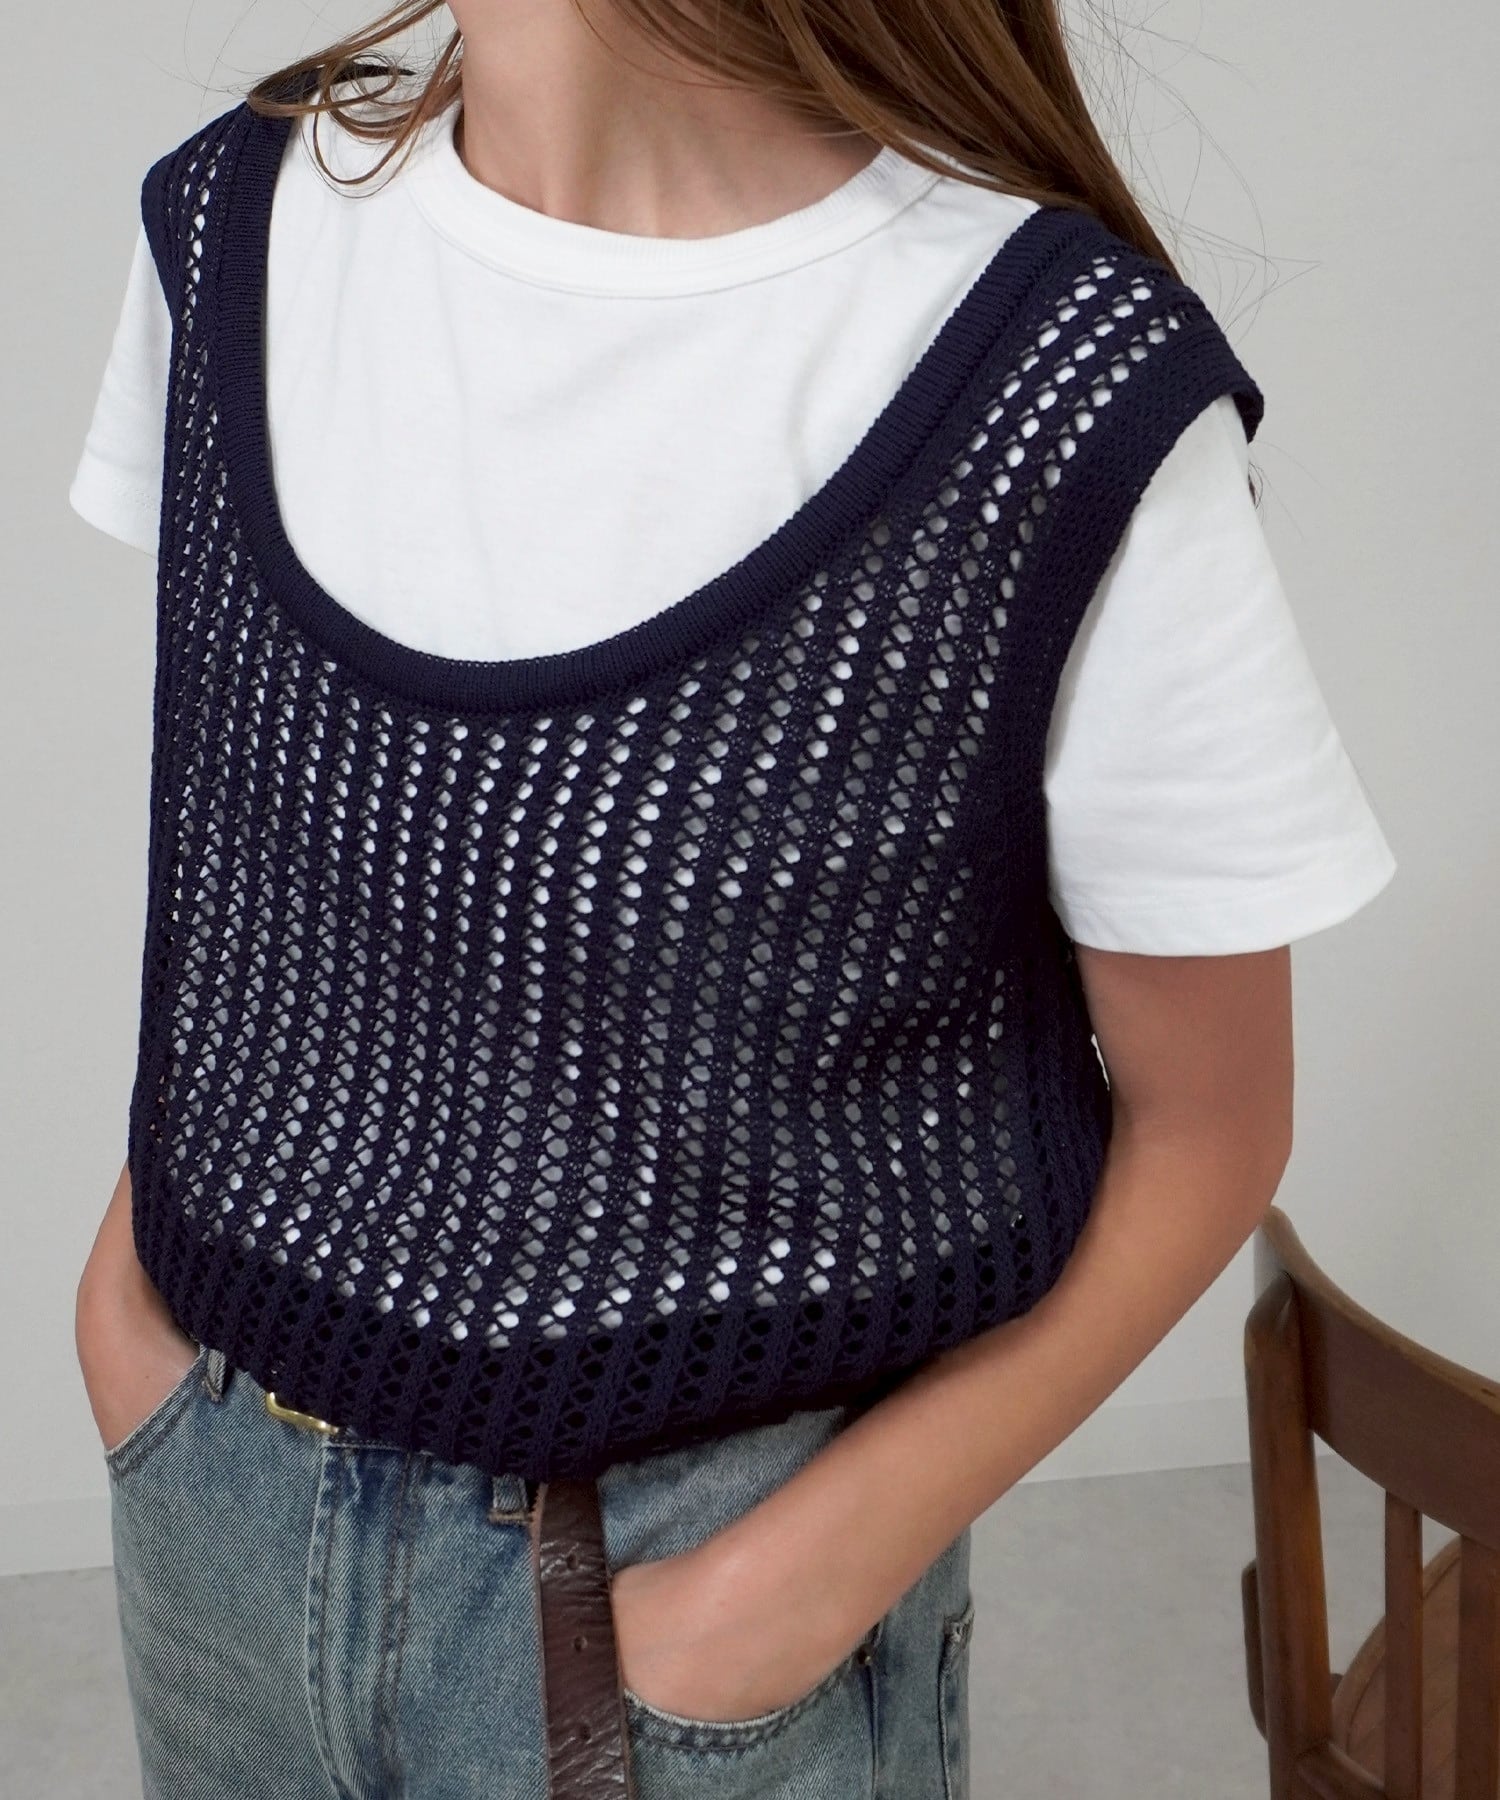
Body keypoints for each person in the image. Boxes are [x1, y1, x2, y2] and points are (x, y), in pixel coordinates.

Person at [70, 1, 1397, 1795]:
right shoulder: (232, 226)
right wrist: (133, 1326)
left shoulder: (1049, 388)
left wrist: (780, 1594)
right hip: (215, 1507)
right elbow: (278, 891)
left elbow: (1212, 1128)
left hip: (700, 1585)